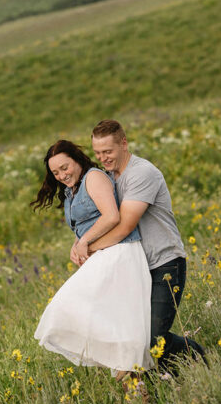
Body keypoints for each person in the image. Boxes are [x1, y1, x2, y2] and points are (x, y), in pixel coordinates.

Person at [78, 119, 207, 373]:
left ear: (124, 144)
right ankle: (169, 379)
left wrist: (89, 248)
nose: (103, 158)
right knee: (133, 340)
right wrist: (80, 241)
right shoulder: (107, 178)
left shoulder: (142, 173)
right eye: (98, 153)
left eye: (108, 152)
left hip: (164, 264)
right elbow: (96, 219)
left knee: (150, 340)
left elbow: (124, 226)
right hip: (133, 270)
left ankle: (198, 359)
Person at [31, 139, 153, 375]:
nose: (61, 175)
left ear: (77, 160)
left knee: (66, 309)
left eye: (65, 168)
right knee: (110, 324)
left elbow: (111, 216)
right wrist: (77, 243)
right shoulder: (71, 191)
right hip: (102, 255)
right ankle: (136, 393)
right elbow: (86, 224)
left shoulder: (94, 177)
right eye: (55, 172)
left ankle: (136, 378)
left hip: (119, 253)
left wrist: (85, 241)